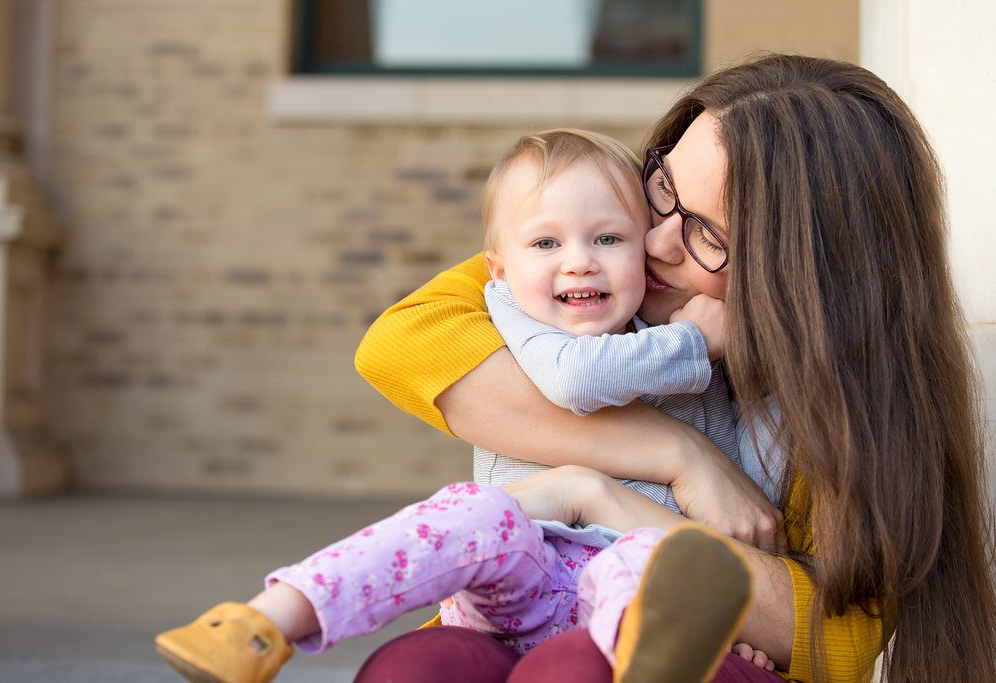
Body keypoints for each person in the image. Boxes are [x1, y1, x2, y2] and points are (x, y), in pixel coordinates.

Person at [353, 54, 996, 682]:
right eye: (663, 187)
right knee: (415, 666)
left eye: (709, 235)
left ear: (806, 277)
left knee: (580, 667)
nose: (655, 241)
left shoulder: (854, 404)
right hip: (530, 610)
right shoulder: (596, 251)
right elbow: (403, 344)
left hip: (688, 644)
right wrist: (680, 456)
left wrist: (600, 499)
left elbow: (837, 639)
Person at [154, 129, 773, 683]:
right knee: (473, 514)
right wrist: (694, 341)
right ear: (496, 270)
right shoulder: (522, 316)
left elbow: (746, 500)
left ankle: (657, 657)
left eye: (609, 238)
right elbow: (577, 380)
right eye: (545, 242)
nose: (579, 260)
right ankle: (265, 621)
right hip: (525, 569)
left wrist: (739, 631)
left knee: (657, 564)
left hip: (612, 582)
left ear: (642, 251)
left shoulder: (662, 334)